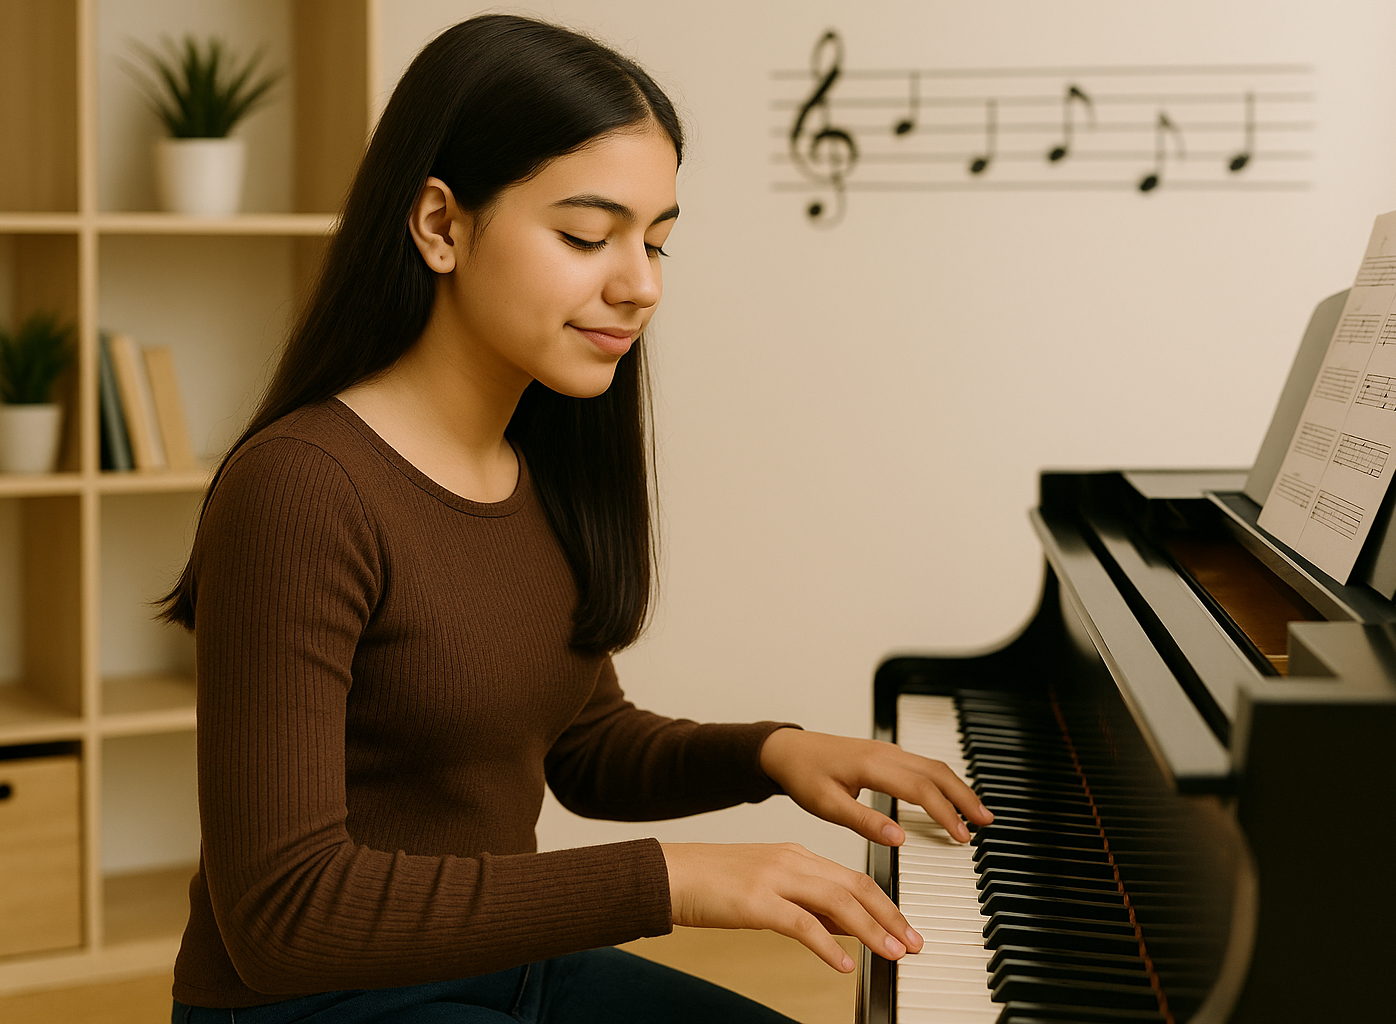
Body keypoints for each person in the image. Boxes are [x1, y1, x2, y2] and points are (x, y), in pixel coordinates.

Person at [162, 14, 990, 1023]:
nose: (640, 285)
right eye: (587, 237)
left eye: (657, 242)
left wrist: (772, 753)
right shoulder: (301, 489)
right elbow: (284, 915)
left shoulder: (535, 464)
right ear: (440, 225)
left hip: (503, 963)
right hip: (315, 1004)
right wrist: (672, 878)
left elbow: (580, 743)